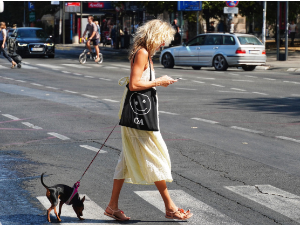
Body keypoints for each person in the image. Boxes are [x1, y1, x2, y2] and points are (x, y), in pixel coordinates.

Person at [104, 19, 193, 221]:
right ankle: (170, 207)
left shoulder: (147, 54)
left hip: (140, 114)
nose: (164, 44)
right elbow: (135, 84)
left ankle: (112, 206)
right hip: (138, 117)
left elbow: (140, 82)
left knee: (126, 159)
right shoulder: (143, 53)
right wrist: (159, 81)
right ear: (154, 35)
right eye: (163, 39)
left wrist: (158, 81)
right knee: (155, 156)